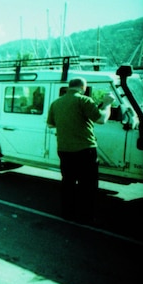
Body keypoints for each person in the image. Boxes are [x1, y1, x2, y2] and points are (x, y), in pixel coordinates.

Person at [46, 77, 115, 224]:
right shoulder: (84, 100)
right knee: (87, 185)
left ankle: (67, 213)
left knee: (68, 182)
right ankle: (85, 216)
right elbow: (101, 119)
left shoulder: (56, 103)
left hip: (64, 149)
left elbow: (51, 125)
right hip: (85, 150)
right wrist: (107, 104)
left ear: (69, 87)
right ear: (84, 87)